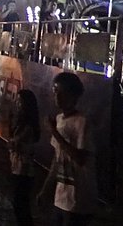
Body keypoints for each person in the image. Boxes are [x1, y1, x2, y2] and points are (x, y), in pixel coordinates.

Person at [39, 72, 96, 224]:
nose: (56, 96)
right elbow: (57, 160)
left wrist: (55, 133)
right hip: (61, 197)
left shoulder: (82, 122)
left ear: (71, 95)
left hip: (78, 199)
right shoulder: (58, 120)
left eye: (60, 92)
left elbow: (80, 158)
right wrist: (46, 189)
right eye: (55, 91)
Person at [8, 90, 39, 226]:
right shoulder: (21, 122)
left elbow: (15, 144)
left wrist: (13, 143)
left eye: (20, 101)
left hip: (23, 170)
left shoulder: (28, 126)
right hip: (17, 167)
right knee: (20, 204)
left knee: (20, 205)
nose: (17, 104)